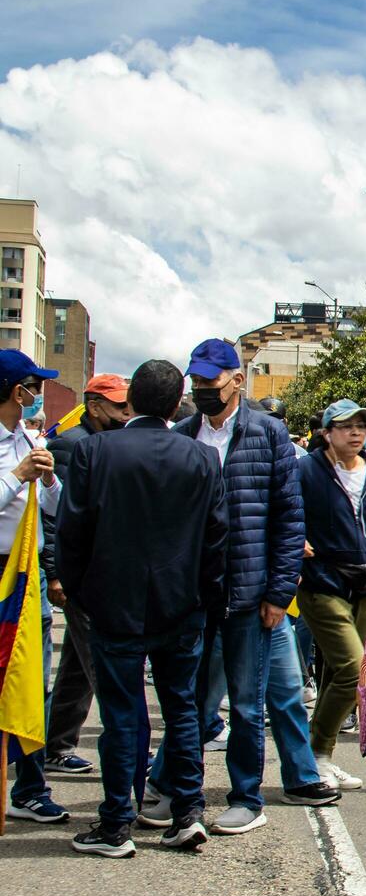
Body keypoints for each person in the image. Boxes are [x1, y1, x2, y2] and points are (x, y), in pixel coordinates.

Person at [138, 339, 329, 834]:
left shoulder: (269, 435)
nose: (202, 390)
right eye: (196, 382)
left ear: (237, 381)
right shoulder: (181, 436)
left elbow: (289, 520)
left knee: (248, 703)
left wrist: (277, 592)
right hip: (193, 596)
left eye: (211, 382)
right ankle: (181, 792)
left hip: (249, 594)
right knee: (189, 702)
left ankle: (247, 797)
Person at [57, 359, 228, 856]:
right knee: (181, 710)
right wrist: (205, 597)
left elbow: (73, 532)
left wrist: (82, 591)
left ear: (131, 401)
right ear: (178, 404)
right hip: (181, 604)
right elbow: (216, 538)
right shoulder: (201, 458)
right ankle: (188, 811)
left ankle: (115, 824)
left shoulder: (95, 451)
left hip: (114, 604)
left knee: (122, 715)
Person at [296, 399, 366, 790]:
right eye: (346, 426)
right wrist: (295, 544)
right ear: (327, 432)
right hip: (321, 581)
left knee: (340, 675)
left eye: (362, 426)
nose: (356, 432)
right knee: (352, 668)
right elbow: (287, 513)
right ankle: (316, 754)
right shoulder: (306, 470)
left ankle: (313, 757)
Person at [43, 373, 133, 776]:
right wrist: (57, 574)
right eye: (119, 406)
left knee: (78, 668)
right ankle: (129, 748)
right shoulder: (69, 445)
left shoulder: (105, 443)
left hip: (105, 571)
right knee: (100, 664)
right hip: (82, 574)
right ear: (94, 406)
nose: (126, 414)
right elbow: (55, 517)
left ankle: (57, 745)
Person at [0, 351, 70, 826]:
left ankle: (29, 786)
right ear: (14, 391)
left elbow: (55, 505)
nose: (36, 395)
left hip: (27, 574)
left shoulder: (28, 436)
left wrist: (46, 480)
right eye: (32, 386)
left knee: (32, 683)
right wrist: (16, 476)